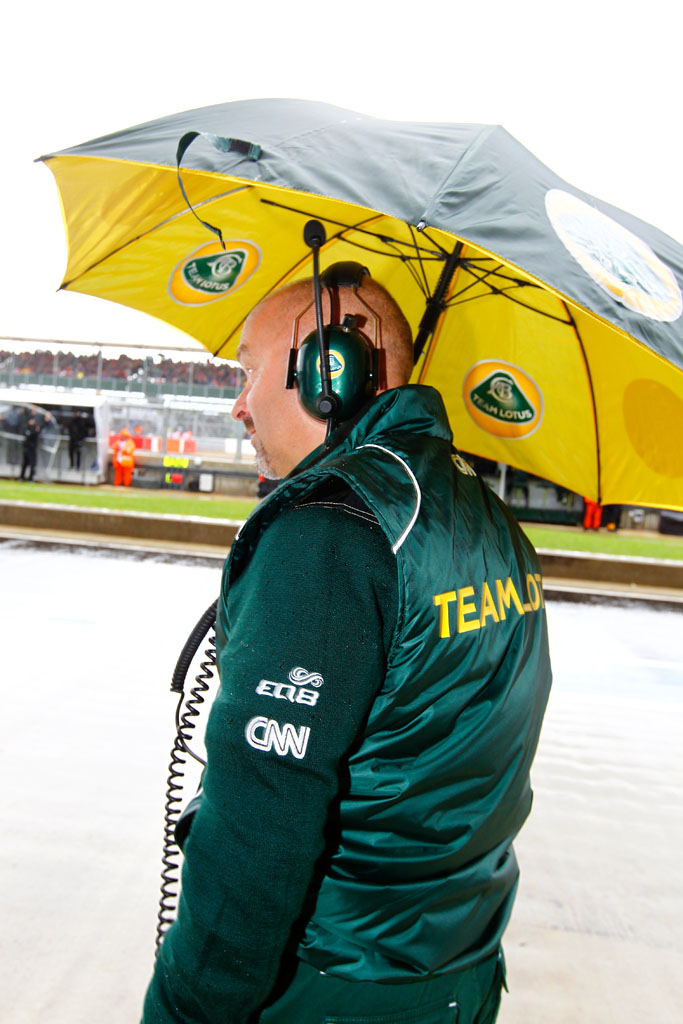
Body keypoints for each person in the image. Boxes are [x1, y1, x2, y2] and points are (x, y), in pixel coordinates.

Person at [142, 274, 552, 1024]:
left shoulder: (330, 532)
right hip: (457, 974)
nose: (237, 404)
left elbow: (259, 823)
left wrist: (187, 1003)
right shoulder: (483, 517)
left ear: (326, 371)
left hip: (329, 982)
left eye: (246, 371)